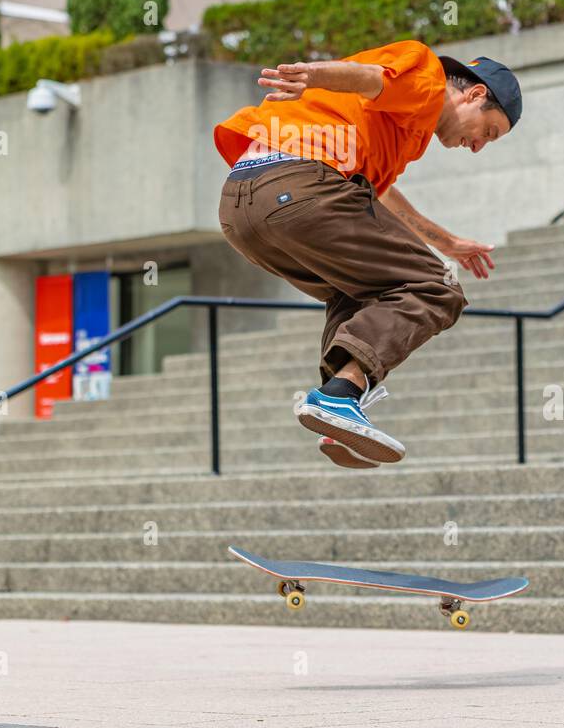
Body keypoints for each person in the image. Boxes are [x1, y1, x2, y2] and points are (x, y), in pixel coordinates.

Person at [214, 40, 522, 468]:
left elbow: (383, 195)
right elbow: (372, 80)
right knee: (439, 288)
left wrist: (445, 241)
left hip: (243, 210)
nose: (478, 146)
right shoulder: (429, 78)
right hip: (300, 187)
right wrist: (312, 74)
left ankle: (338, 409)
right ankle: (339, 396)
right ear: (475, 94)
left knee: (360, 293)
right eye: (487, 132)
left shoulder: (400, 131)